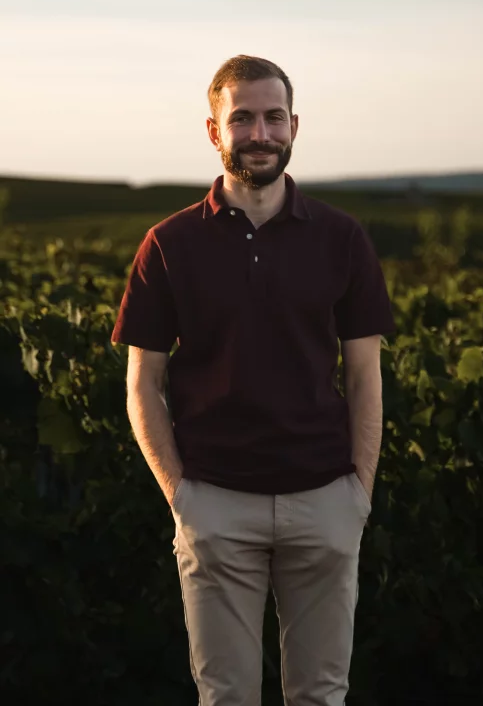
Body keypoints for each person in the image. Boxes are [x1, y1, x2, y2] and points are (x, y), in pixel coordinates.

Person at [111, 54, 395, 706]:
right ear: (214, 131)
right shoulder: (168, 244)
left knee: (320, 696)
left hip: (325, 499)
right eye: (242, 118)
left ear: (294, 125)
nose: (260, 133)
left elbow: (364, 375)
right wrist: (181, 496)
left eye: (273, 117)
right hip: (215, 503)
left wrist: (358, 492)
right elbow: (142, 383)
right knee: (226, 697)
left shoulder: (342, 239)